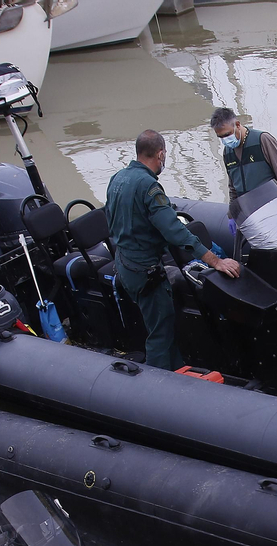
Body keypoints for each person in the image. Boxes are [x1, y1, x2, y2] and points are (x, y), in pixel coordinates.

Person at [106, 129, 240, 370]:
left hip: (124, 263)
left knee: (164, 322)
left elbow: (116, 220)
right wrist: (215, 261)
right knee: (160, 332)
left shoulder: (117, 178)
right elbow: (175, 232)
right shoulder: (149, 187)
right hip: (143, 269)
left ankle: (177, 371)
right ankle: (157, 386)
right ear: (160, 154)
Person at [211, 108, 277, 205]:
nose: (225, 140)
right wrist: (233, 213)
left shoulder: (262, 140)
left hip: (272, 207)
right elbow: (233, 188)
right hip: (249, 211)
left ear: (237, 125)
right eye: (221, 137)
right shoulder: (228, 151)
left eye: (227, 134)